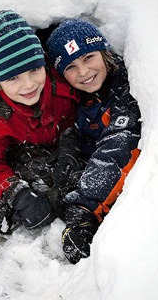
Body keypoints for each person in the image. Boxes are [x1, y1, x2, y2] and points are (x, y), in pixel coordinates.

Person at [0, 10, 78, 236]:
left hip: (58, 149)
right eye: (13, 78)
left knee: (70, 180)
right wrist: (16, 194)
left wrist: (70, 144)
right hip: (22, 153)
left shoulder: (62, 85)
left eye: (34, 70)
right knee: (34, 175)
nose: (28, 85)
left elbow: (79, 117)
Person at [47, 19, 142, 264]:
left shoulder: (125, 88)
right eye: (71, 67)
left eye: (88, 57)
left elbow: (121, 144)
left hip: (112, 176)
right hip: (91, 167)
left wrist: (84, 209)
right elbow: (75, 131)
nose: (83, 72)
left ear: (103, 51)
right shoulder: (80, 96)